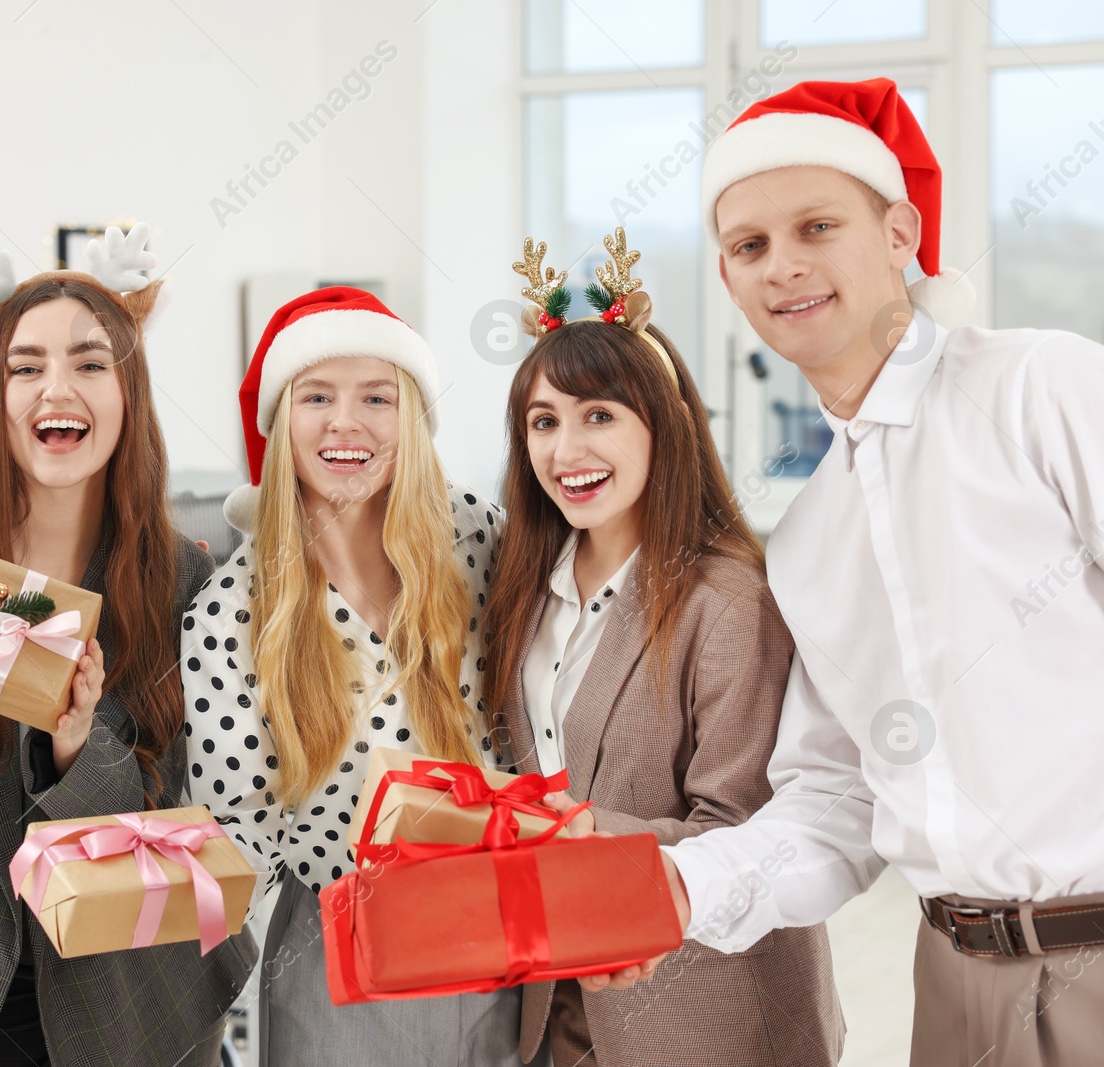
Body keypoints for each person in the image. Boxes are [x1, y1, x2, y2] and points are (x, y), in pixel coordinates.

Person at [591, 78, 1104, 1067]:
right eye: (748, 246)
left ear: (900, 233)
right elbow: (834, 802)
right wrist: (676, 890)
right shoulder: (809, 536)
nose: (782, 266)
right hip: (953, 984)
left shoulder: (1041, 389)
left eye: (815, 226)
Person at [0, 248, 257, 1067]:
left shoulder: (182, 575)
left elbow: (179, 813)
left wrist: (75, 744)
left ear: (126, 394)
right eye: (25, 366)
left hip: (133, 1000)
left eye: (89, 362)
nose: (56, 389)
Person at [484, 232, 842, 1065]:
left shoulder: (728, 603)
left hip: (703, 1012)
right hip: (557, 1008)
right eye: (544, 422)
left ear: (669, 424)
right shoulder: (521, 593)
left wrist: (551, 828)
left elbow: (747, 832)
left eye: (599, 416)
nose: (567, 451)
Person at [183, 287, 520, 1066]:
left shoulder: (479, 538)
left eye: (377, 396)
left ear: (412, 418)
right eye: (317, 396)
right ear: (280, 423)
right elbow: (238, 830)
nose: (346, 422)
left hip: (502, 929)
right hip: (344, 955)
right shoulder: (231, 612)